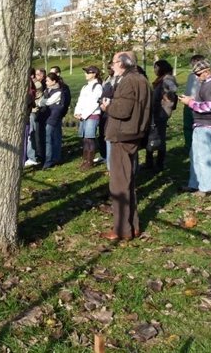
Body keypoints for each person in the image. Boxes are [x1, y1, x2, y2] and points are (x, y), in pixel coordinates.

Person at [99, 52, 151, 240]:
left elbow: (122, 110)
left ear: (121, 63)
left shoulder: (128, 81)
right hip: (134, 133)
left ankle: (122, 230)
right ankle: (133, 225)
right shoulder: (142, 79)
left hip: (123, 136)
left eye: (113, 62)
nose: (111, 66)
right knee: (128, 183)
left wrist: (107, 107)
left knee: (119, 185)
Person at [179, 59, 211, 197]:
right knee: (195, 156)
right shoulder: (205, 84)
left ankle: (206, 189)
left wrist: (190, 102)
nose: (197, 78)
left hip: (209, 125)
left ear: (206, 71)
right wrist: (190, 99)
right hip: (199, 125)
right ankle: (194, 184)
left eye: (198, 74)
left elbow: (208, 107)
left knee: (204, 157)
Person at [145, 60, 178, 173]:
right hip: (156, 111)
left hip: (161, 112)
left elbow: (172, 89)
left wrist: (167, 96)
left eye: (156, 68)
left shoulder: (167, 78)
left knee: (160, 137)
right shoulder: (161, 78)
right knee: (153, 136)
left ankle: (159, 164)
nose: (154, 70)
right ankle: (149, 162)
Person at [74, 65, 103, 171]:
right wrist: (77, 112)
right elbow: (80, 100)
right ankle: (85, 160)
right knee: (84, 139)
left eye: (88, 72)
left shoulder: (98, 87)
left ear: (94, 74)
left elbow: (95, 103)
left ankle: (90, 161)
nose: (85, 74)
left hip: (92, 116)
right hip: (83, 116)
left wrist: (84, 114)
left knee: (90, 139)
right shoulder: (85, 87)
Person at [38, 72, 64, 169]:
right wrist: (42, 102)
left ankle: (48, 161)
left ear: (54, 81)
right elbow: (42, 101)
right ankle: (55, 158)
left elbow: (48, 102)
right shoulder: (47, 90)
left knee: (49, 139)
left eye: (48, 80)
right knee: (55, 137)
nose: (46, 82)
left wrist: (42, 102)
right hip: (48, 116)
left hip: (53, 117)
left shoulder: (58, 91)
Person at [183, 55, 205, 153]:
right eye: (192, 63)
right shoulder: (191, 76)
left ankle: (198, 147)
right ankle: (188, 146)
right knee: (187, 126)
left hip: (198, 105)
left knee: (198, 128)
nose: (193, 65)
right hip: (187, 104)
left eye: (195, 63)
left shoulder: (204, 77)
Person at [25, 68, 46, 167]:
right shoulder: (30, 84)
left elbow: (30, 97)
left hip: (33, 112)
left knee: (31, 134)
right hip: (30, 112)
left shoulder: (36, 85)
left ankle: (32, 157)